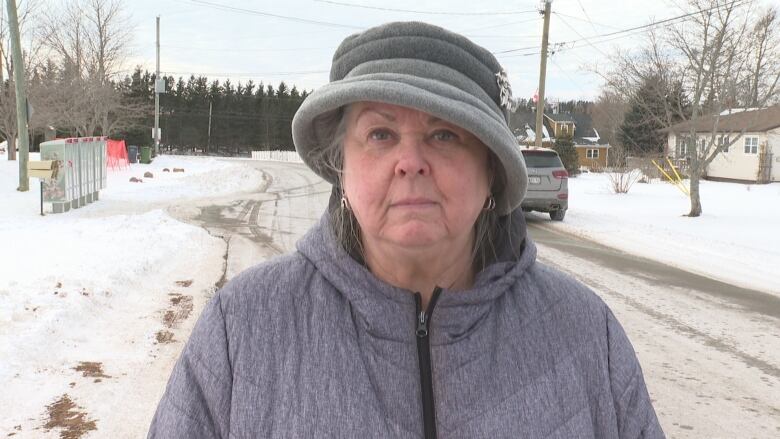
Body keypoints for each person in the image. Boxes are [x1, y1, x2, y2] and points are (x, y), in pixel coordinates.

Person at [148, 21, 664, 438]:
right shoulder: (241, 330)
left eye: (444, 134)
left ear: (491, 170)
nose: (410, 161)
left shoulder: (583, 334)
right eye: (380, 133)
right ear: (341, 166)